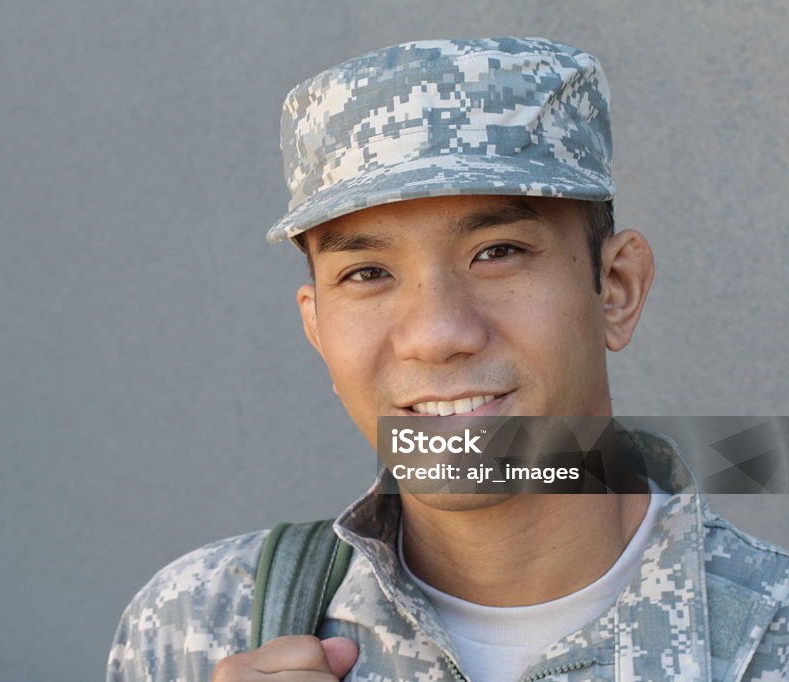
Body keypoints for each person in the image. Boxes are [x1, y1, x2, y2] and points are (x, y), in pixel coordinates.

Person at [106, 38, 789, 682]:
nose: (436, 334)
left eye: (498, 253)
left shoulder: (768, 640)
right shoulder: (199, 627)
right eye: (368, 273)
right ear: (317, 329)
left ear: (615, 289)